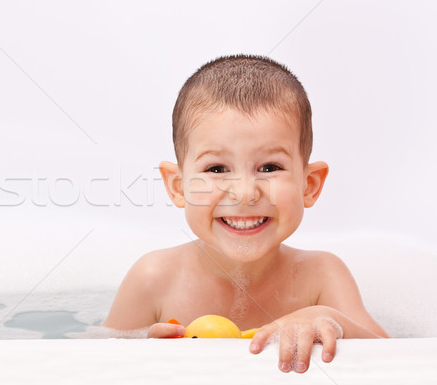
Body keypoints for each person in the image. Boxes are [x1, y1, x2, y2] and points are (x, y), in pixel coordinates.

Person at [103, 55, 388, 373]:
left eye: (269, 167)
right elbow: (92, 361)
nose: (244, 192)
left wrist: (331, 320)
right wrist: (144, 348)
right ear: (178, 187)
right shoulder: (153, 278)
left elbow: (401, 357)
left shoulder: (321, 277)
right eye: (217, 168)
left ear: (309, 185)